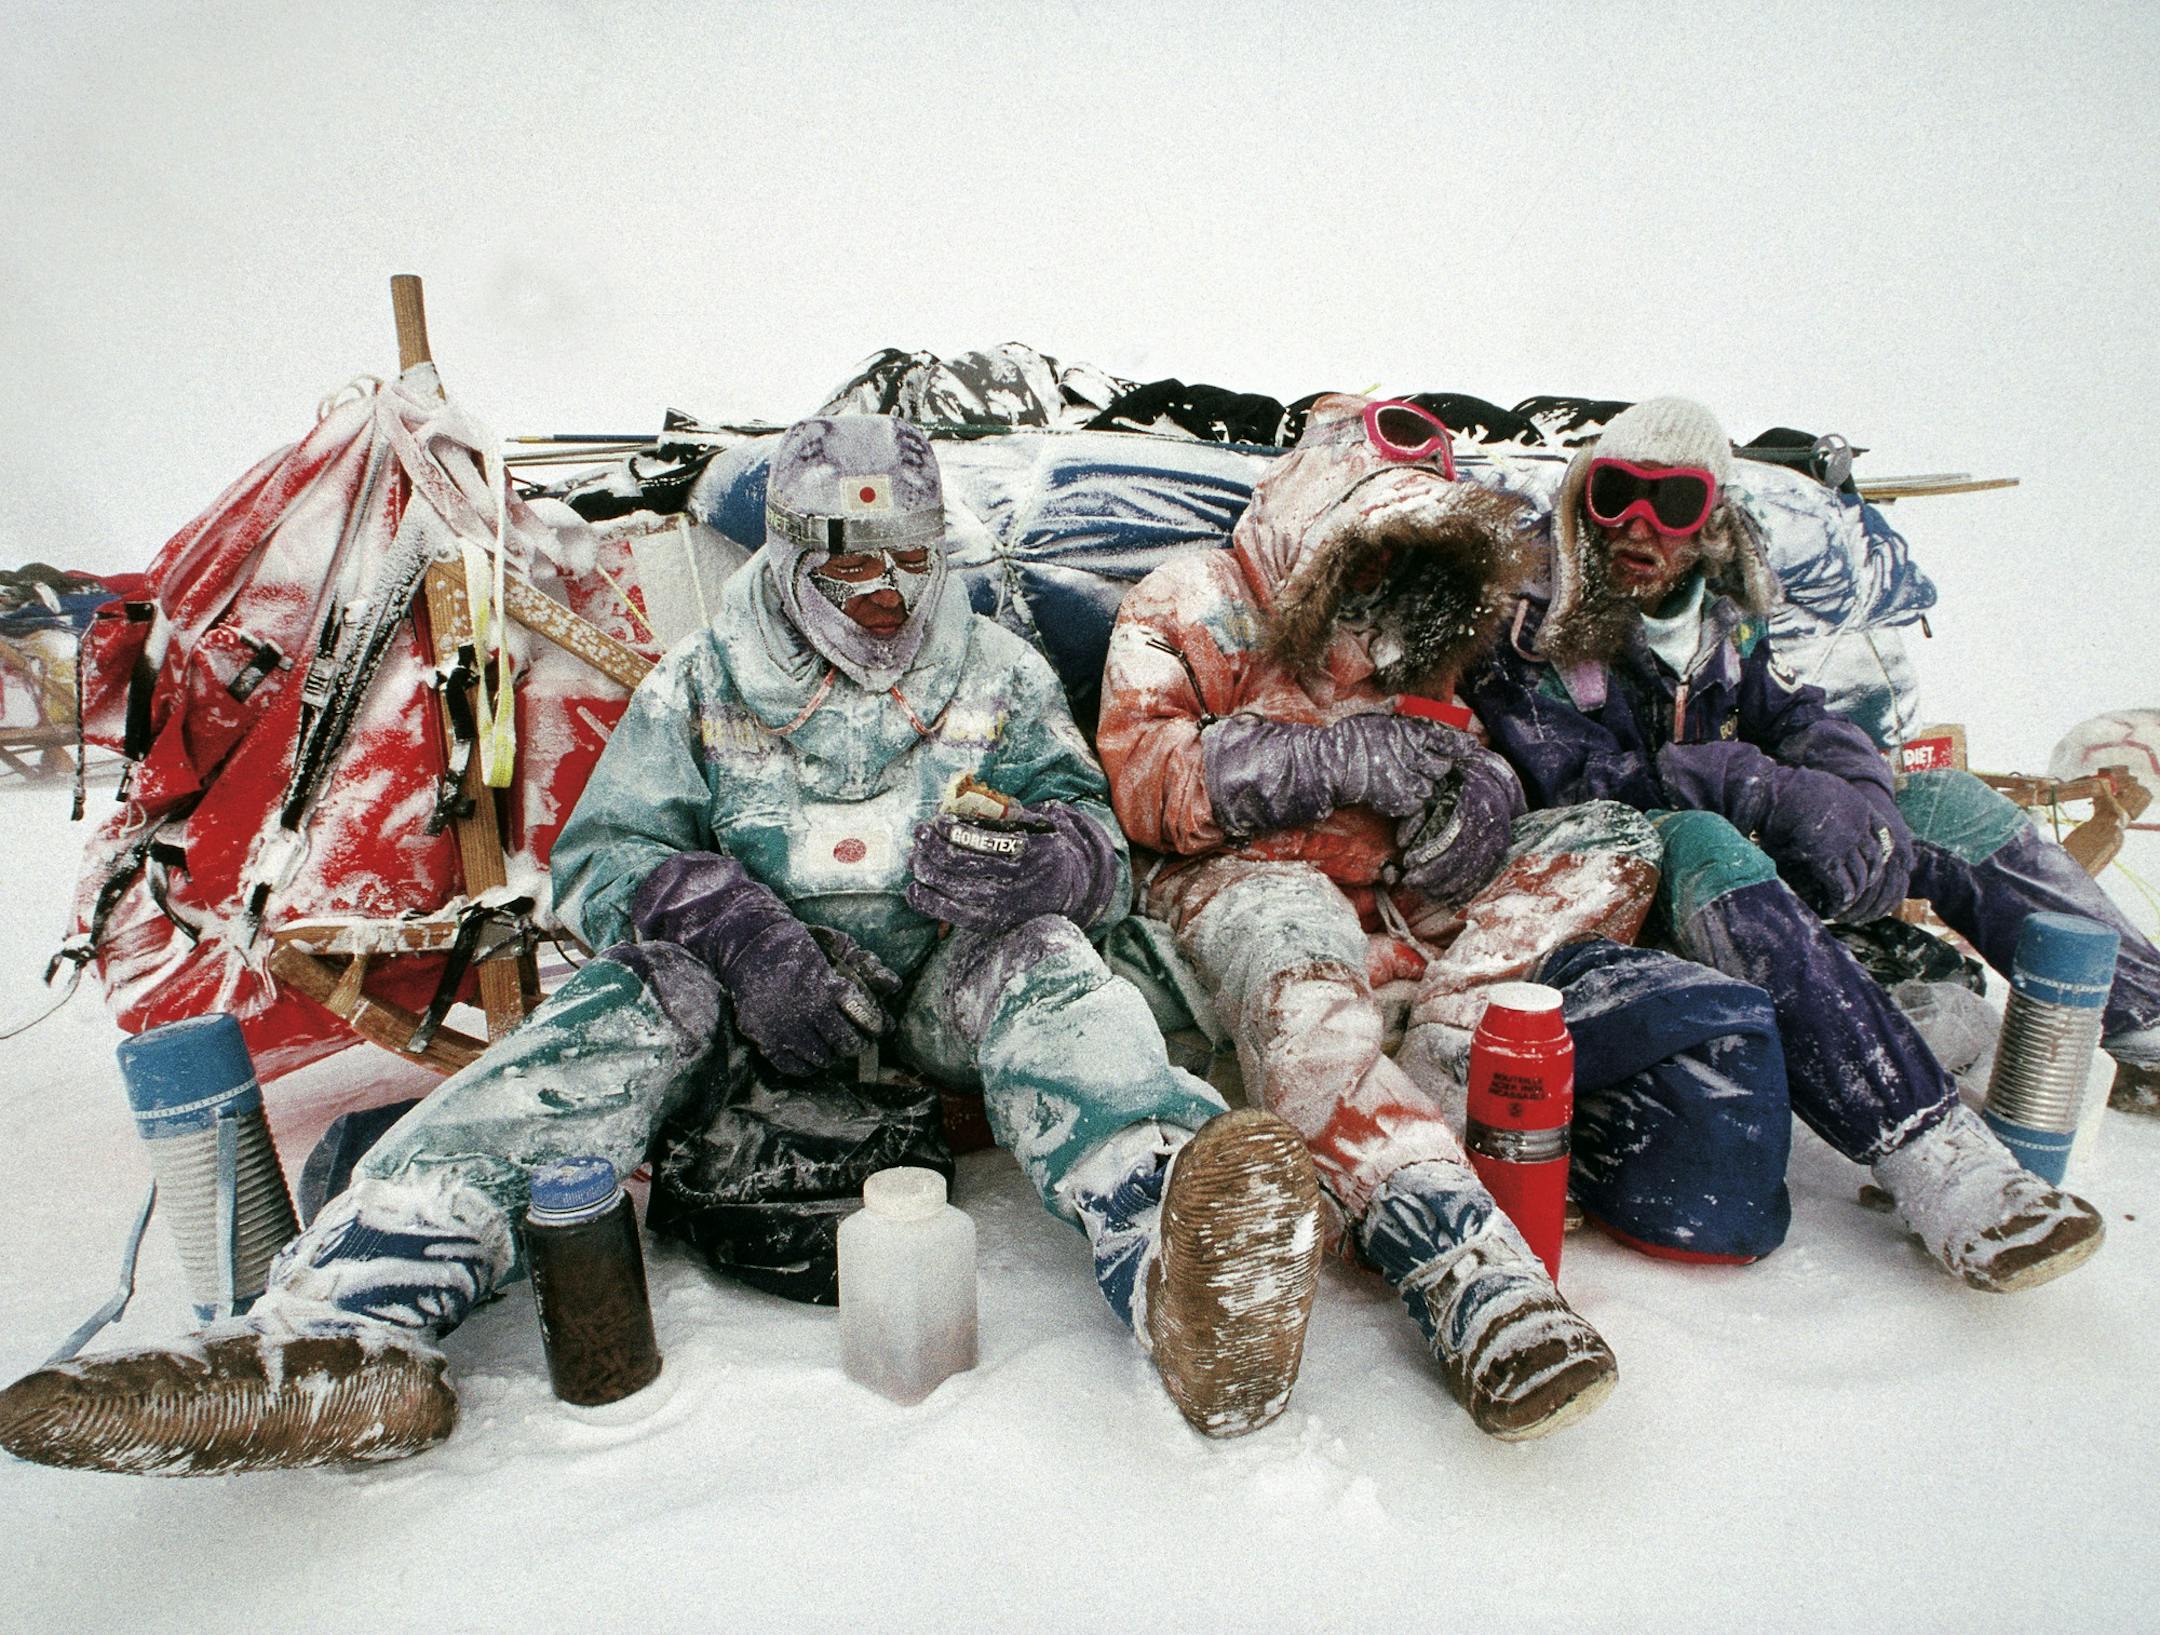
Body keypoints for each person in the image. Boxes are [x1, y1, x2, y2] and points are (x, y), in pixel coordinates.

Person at [0, 415, 1326, 1475]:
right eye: (847, 557)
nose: (881, 588)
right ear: (791, 547)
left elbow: (1094, 836)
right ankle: (345, 1318)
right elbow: (603, 857)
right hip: (747, 1013)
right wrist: (726, 920)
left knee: (1054, 965)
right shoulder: (703, 676)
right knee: (622, 1006)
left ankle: (1177, 1257)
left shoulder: (1000, 674)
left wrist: (1055, 859)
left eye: (909, 556)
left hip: (943, 990)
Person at [1096, 395, 1797, 1441]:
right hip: (1245, 880)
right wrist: (1315, 759)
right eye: (1375, 546)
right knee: (1303, 979)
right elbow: (1143, 782)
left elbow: (1471, 757)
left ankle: (1444, 1062)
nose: (1392, 572)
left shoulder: (1416, 630)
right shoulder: (1194, 599)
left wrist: (1468, 813)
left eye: (1417, 549)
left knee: (1609, 838)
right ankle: (1463, 1263)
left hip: (1398, 904)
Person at [1460, 395, 2160, 1291]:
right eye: (1615, 495)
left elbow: (1798, 714)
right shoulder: (1532, 625)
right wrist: (1762, 786)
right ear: (1581, 496)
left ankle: (2143, 1018)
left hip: (1714, 871)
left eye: (1670, 502)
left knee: (1939, 799)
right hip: (1589, 883)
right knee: (1706, 835)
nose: (1638, 526)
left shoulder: (1722, 617)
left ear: (1708, 517)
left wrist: (1858, 792)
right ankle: (1940, 1160)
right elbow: (1576, 782)